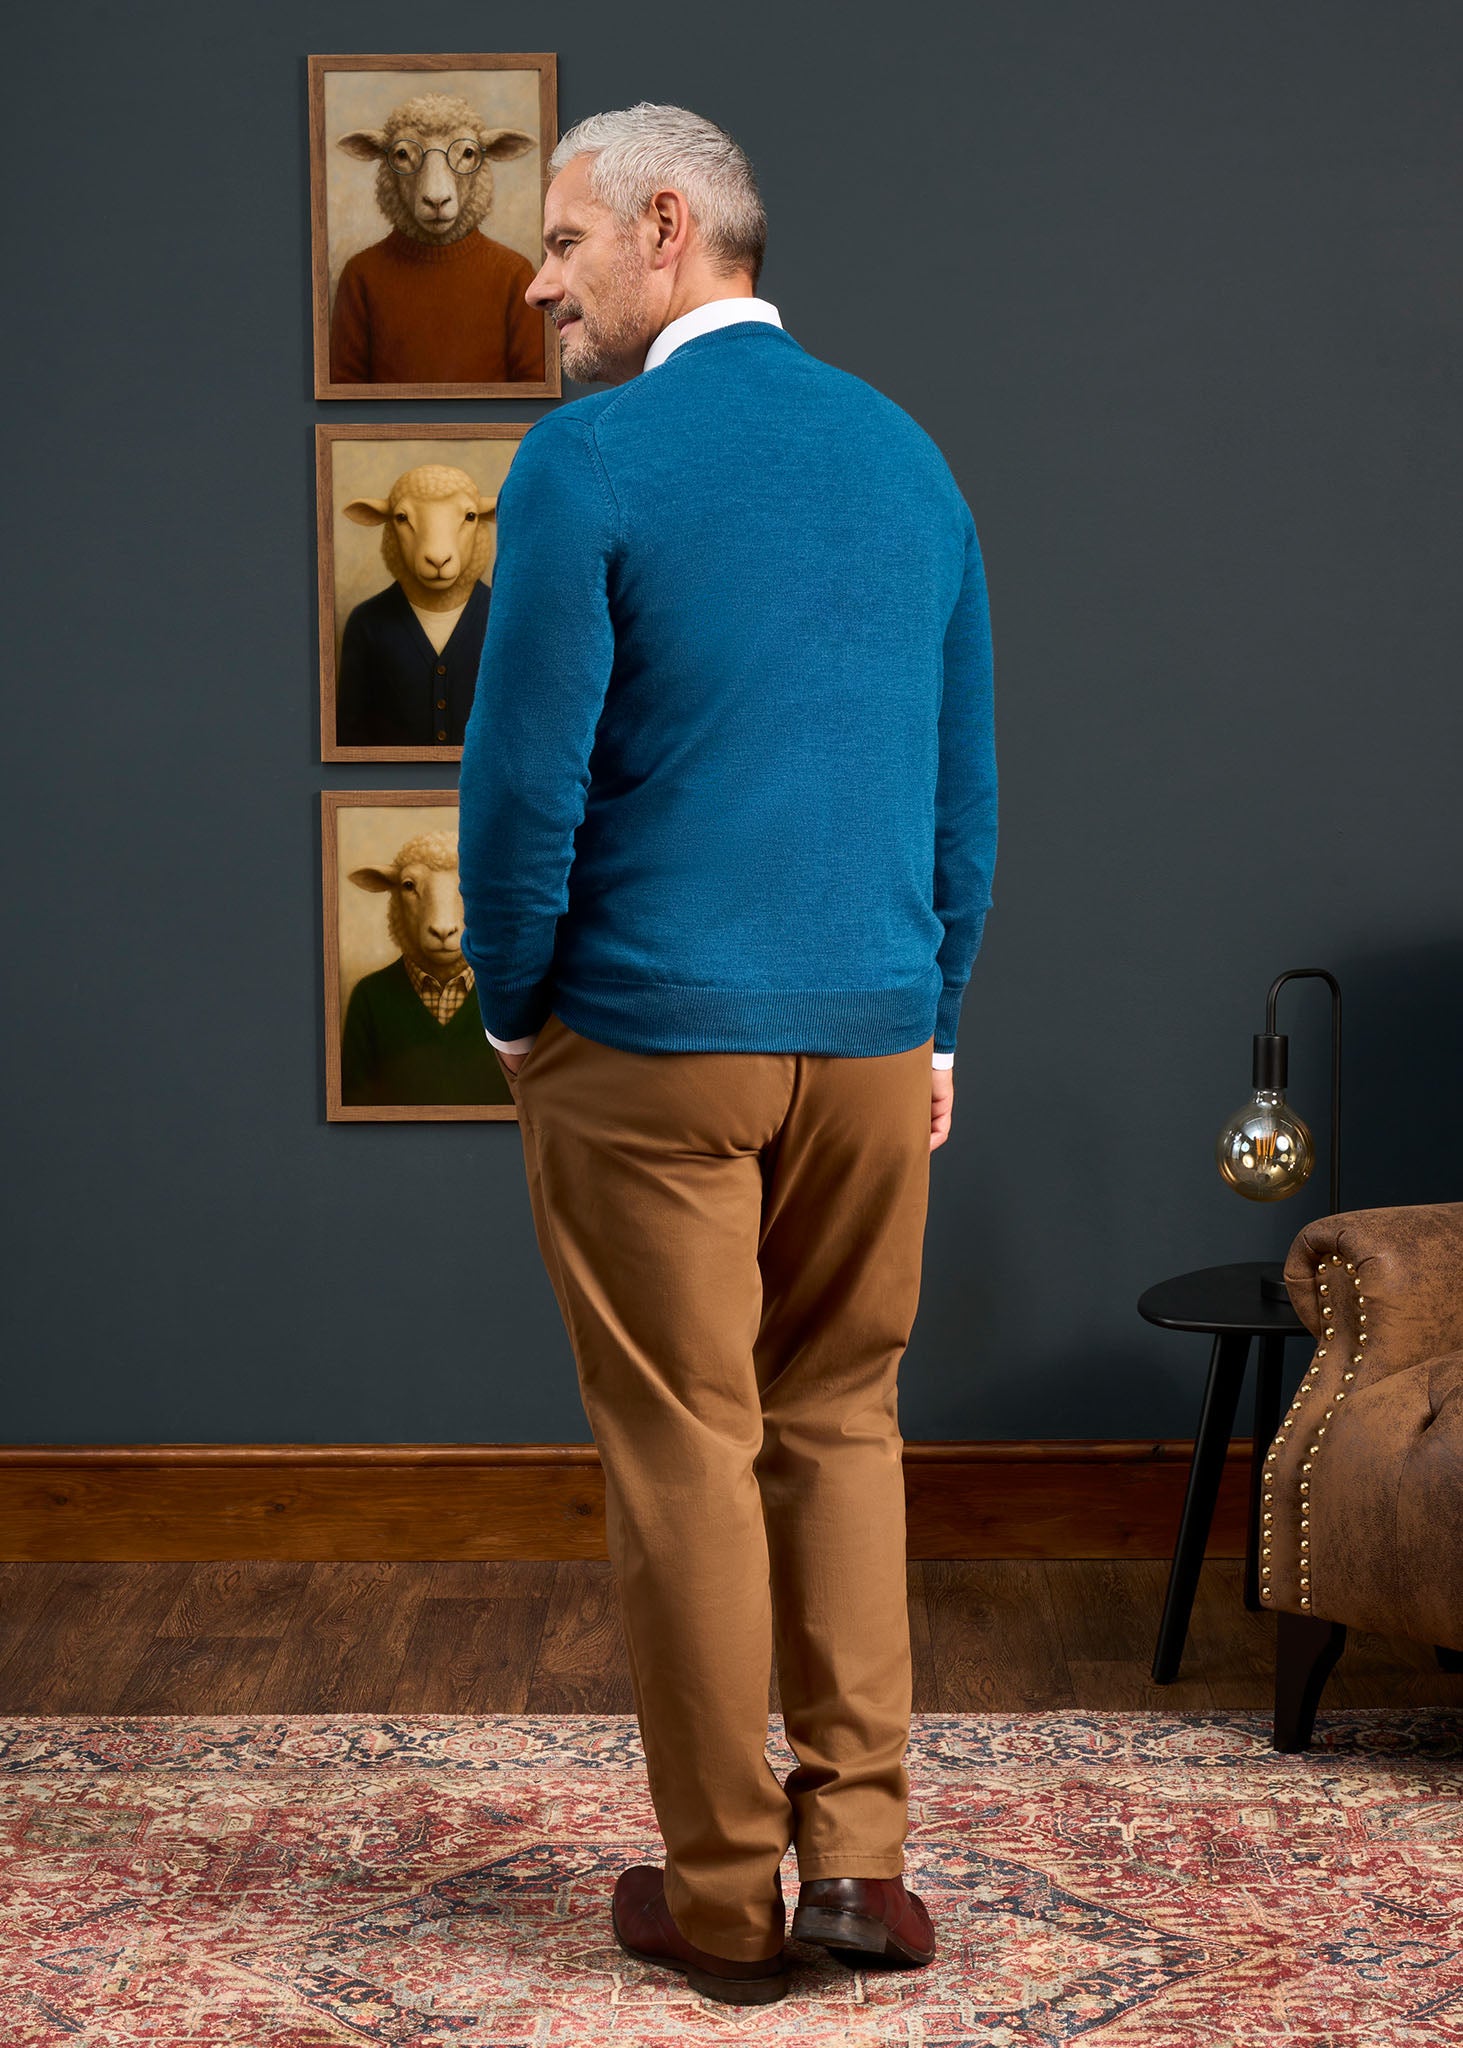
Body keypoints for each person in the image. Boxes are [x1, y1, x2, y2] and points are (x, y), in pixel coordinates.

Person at [456, 100, 997, 2006]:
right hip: (871, 1038)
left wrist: (513, 1005)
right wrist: (934, 1017)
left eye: (563, 242)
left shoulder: (587, 460)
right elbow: (959, 792)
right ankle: (859, 1874)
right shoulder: (909, 458)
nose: (540, 285)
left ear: (667, 227)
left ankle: (720, 1903)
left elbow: (521, 783)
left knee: (686, 1447)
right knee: (843, 1423)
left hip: (650, 1036)